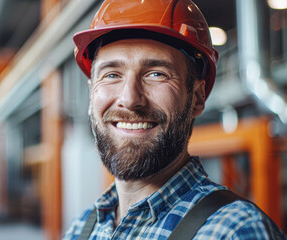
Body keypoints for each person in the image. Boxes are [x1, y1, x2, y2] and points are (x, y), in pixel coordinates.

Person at [63, 0, 287, 239]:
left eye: (156, 74)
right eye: (111, 75)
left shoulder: (234, 232)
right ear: (91, 95)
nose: (129, 99)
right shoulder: (82, 228)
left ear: (197, 98)